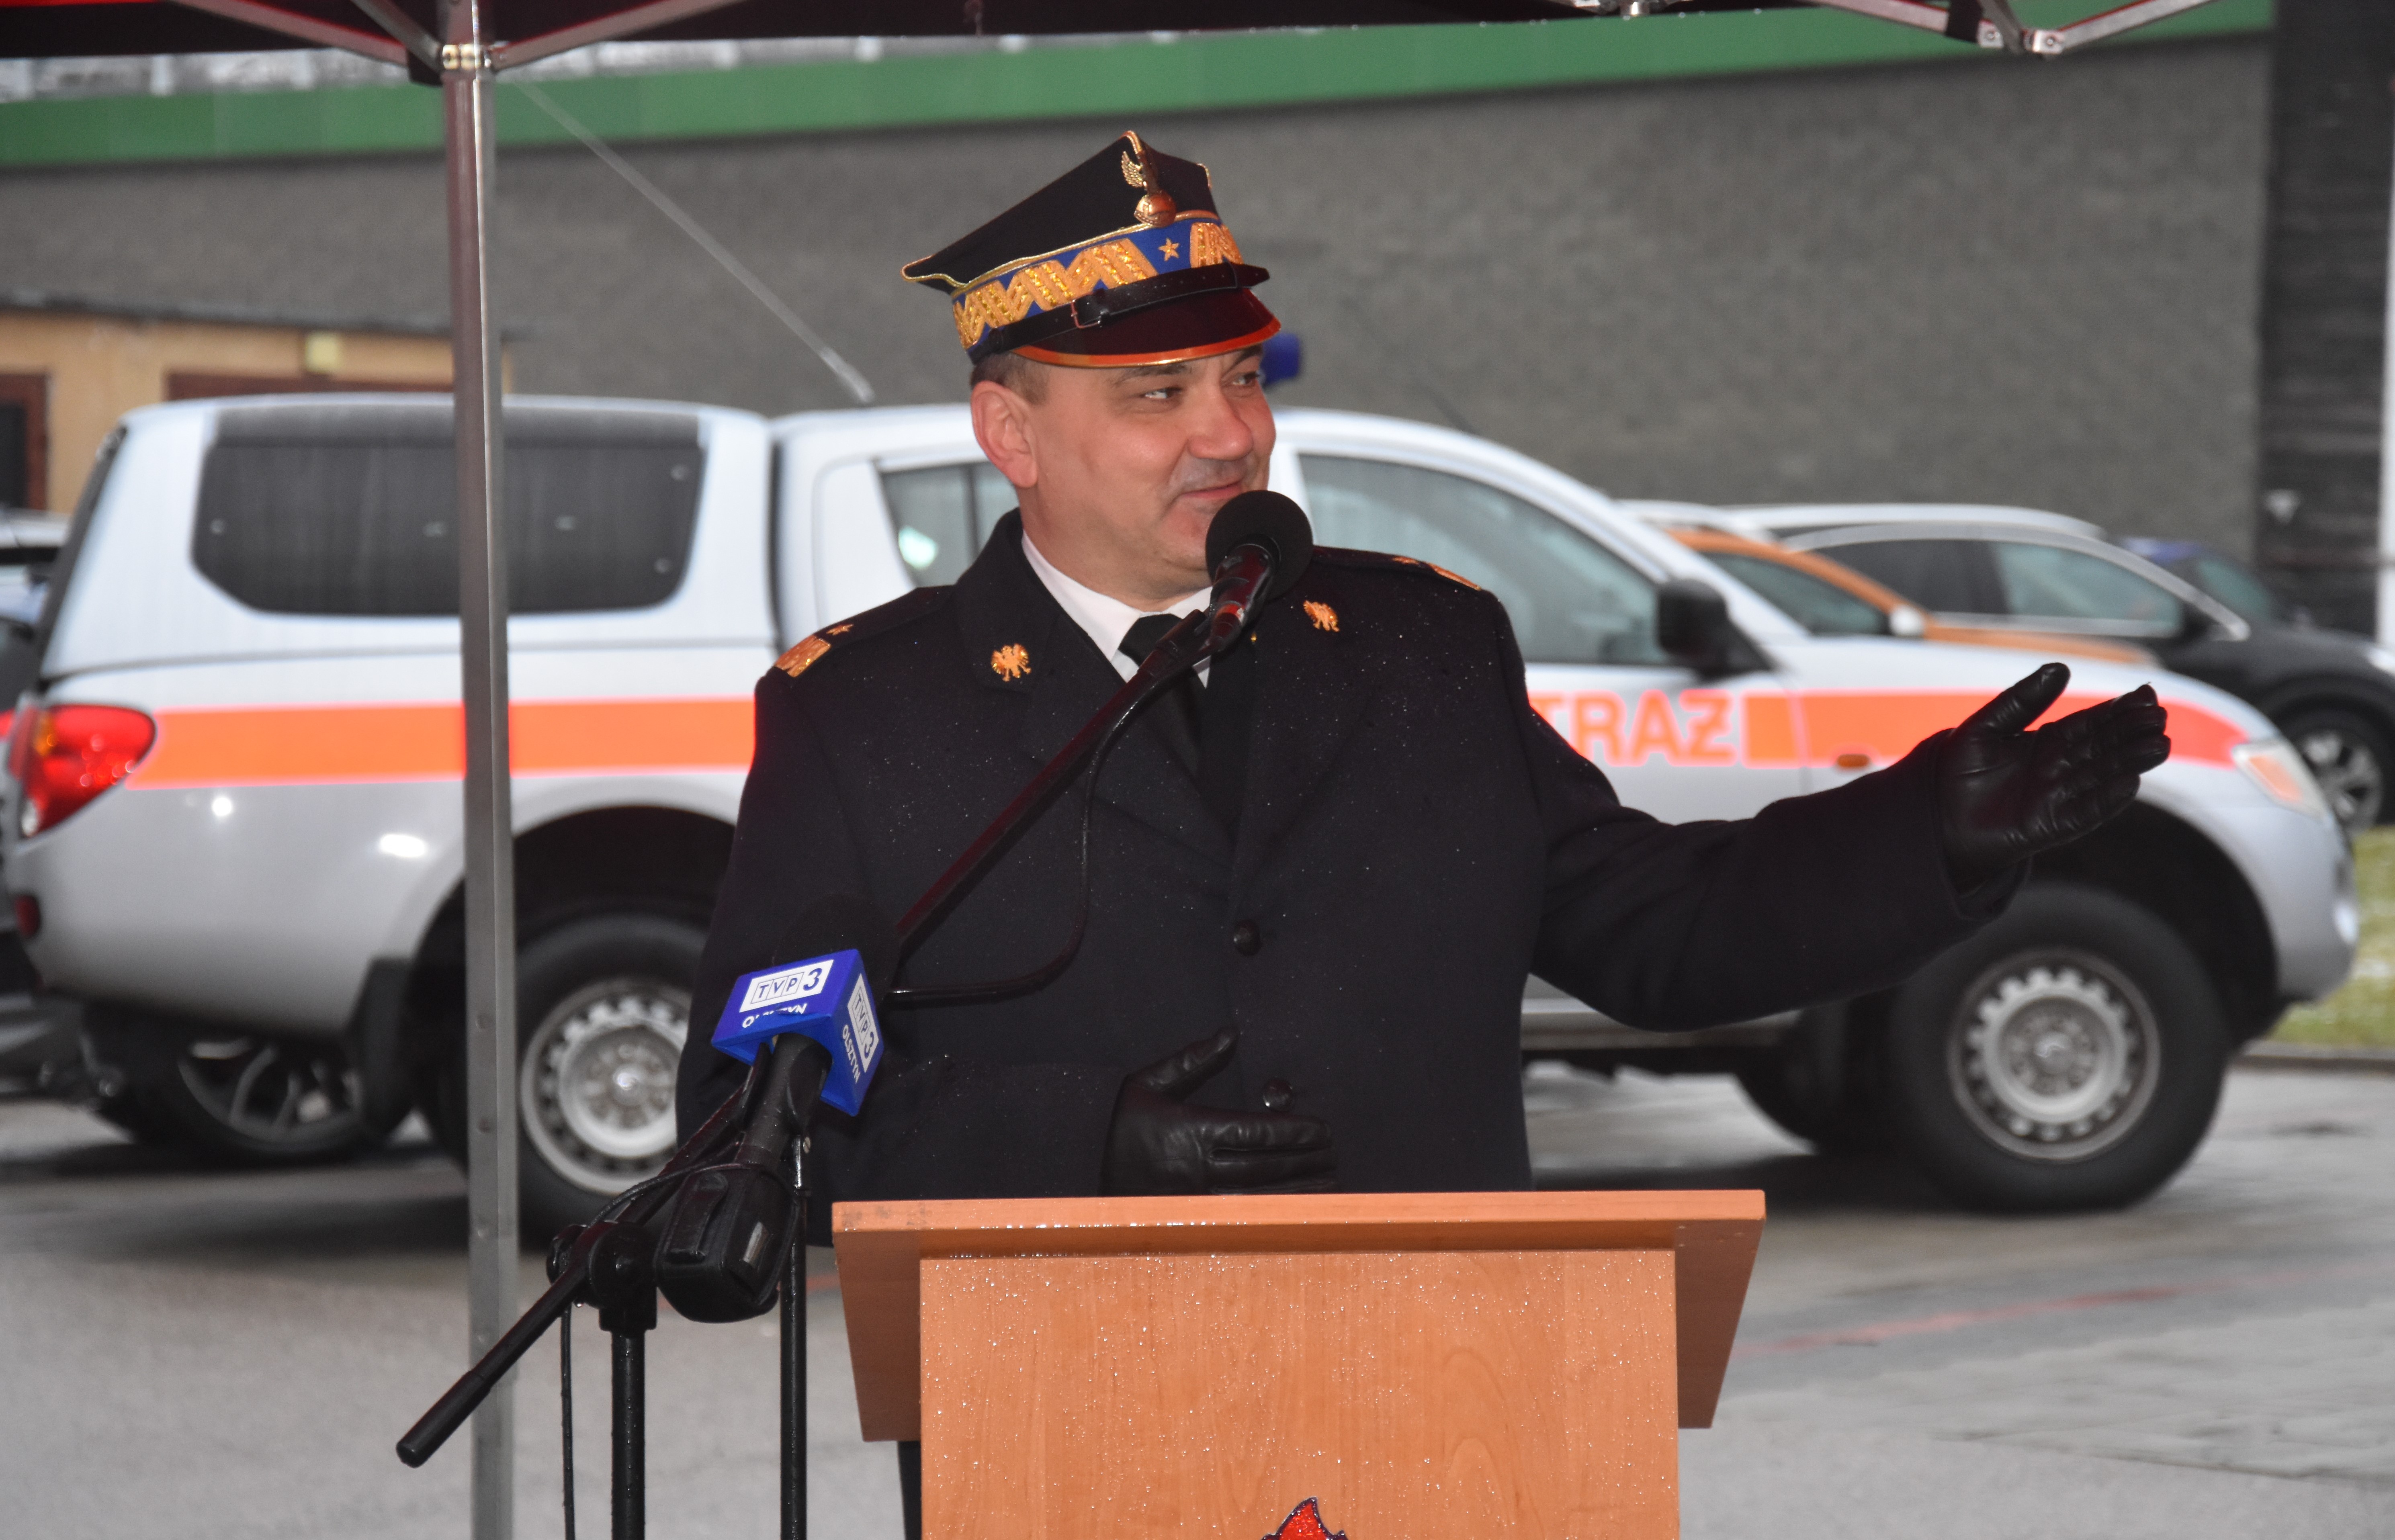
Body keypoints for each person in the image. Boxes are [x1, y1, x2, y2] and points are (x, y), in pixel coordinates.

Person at [674, 129, 2170, 1206]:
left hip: (1435, 1391)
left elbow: (1658, 932)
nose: (1231, 434)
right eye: (1158, 395)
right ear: (1012, 434)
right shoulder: (866, 716)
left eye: (1242, 378)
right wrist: (1080, 1144)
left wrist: (1927, 833)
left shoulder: (1418, 650)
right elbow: (752, 1114)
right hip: (1059, 1421)